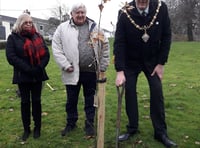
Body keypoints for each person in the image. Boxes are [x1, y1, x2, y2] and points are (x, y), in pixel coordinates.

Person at [114, 0, 177, 147]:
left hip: (153, 61)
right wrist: (120, 70)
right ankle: (132, 128)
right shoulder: (125, 11)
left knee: (157, 92)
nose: (142, 2)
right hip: (131, 61)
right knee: (129, 91)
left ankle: (160, 132)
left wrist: (161, 63)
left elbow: (167, 36)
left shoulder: (161, 8)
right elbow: (119, 42)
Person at [52, 3, 110, 138]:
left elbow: (105, 46)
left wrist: (102, 65)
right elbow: (56, 48)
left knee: (90, 100)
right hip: (71, 71)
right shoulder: (62, 28)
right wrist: (65, 65)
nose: (80, 15)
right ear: (71, 14)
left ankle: (89, 124)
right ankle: (71, 123)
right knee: (71, 100)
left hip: (91, 72)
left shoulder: (95, 28)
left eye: (82, 12)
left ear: (86, 13)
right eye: (77, 12)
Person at [6, 13, 50, 141]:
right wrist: (28, 69)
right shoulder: (13, 38)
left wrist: (38, 68)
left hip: (37, 75)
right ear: (20, 23)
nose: (29, 24)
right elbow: (11, 57)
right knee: (25, 102)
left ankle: (37, 128)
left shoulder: (38, 36)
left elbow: (46, 55)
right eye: (26, 22)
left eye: (30, 22)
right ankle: (26, 129)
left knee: (37, 101)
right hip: (23, 76)